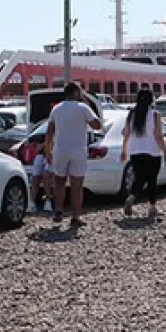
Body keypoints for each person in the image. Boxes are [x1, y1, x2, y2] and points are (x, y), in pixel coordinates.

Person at [44, 81, 103, 228]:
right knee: (77, 185)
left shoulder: (56, 109)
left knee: (59, 182)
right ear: (76, 93)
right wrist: (86, 102)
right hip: (78, 150)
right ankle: (76, 216)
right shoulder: (83, 108)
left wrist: (48, 150)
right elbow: (97, 125)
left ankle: (58, 210)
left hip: (60, 149)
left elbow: (50, 131)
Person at [119, 89, 166, 219]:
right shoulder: (155, 114)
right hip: (152, 151)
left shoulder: (131, 114)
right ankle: (152, 208)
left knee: (139, 178)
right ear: (151, 100)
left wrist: (124, 151)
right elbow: (158, 136)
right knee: (152, 180)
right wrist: (165, 151)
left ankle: (132, 196)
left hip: (135, 151)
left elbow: (127, 134)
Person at [30, 145, 53, 213]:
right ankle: (31, 203)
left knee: (47, 177)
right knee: (35, 179)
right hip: (40, 155)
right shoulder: (39, 137)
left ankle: (48, 202)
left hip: (52, 154)